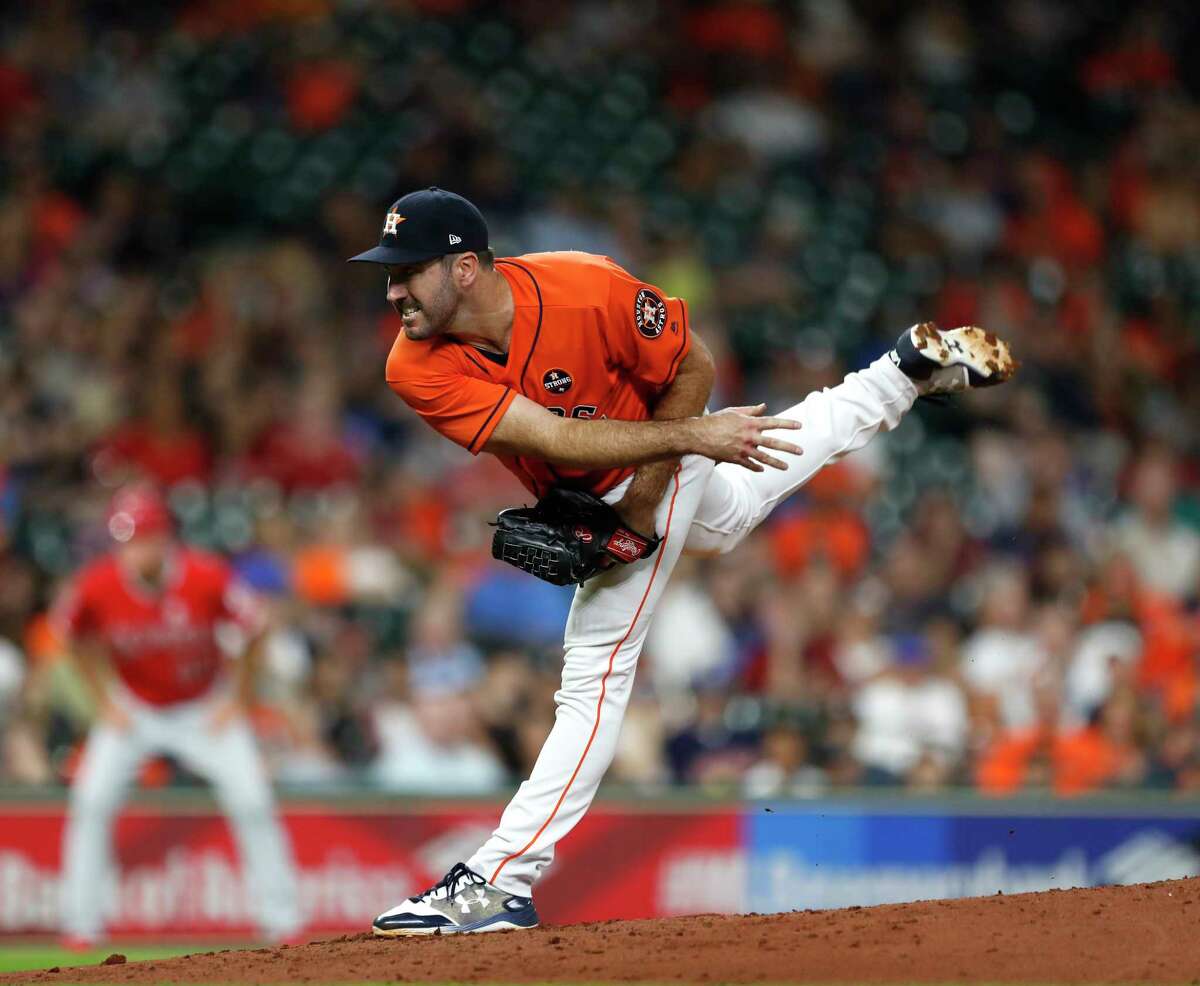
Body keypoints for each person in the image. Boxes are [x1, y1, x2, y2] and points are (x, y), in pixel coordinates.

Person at [350, 186, 1015, 935]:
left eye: (408, 269)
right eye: (389, 270)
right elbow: (559, 441)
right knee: (731, 514)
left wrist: (656, 485)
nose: (393, 287)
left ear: (465, 268)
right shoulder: (413, 365)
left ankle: (502, 878)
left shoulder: (587, 286)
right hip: (633, 469)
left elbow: (692, 367)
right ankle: (897, 376)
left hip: (664, 441)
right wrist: (659, 480)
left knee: (595, 669)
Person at [52, 485, 301, 947]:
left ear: (164, 538)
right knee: (91, 800)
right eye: (124, 541)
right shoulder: (97, 584)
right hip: (134, 706)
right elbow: (68, 636)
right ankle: (80, 927)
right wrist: (102, 699)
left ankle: (281, 923)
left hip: (204, 704)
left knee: (252, 799)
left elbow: (256, 628)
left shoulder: (206, 576)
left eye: (141, 539)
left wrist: (240, 699)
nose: (131, 551)